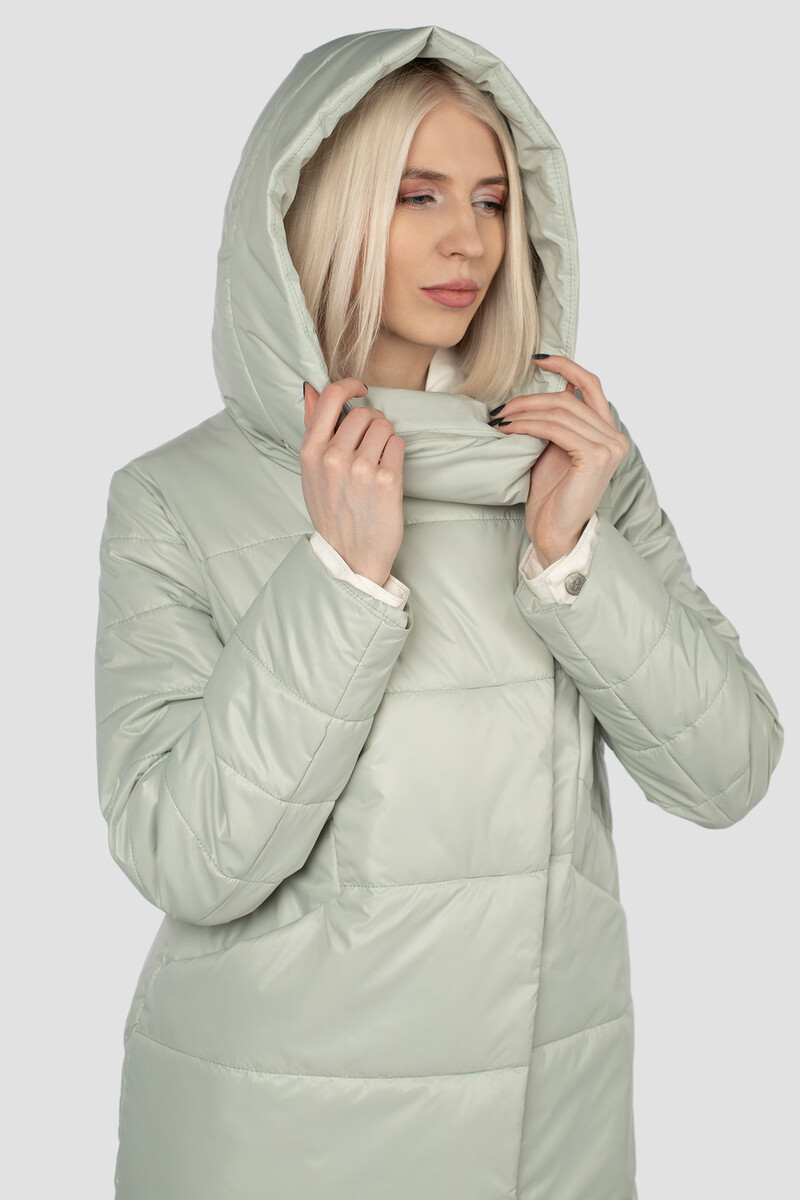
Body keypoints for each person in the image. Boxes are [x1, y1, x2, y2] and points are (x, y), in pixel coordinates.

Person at [94, 25, 784, 1200]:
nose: (467, 239)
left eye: (491, 200)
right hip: (280, 1137)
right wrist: (338, 585)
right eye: (416, 196)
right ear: (321, 214)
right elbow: (187, 859)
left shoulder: (570, 463)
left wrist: (573, 559)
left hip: (544, 1138)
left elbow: (728, 775)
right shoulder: (175, 496)